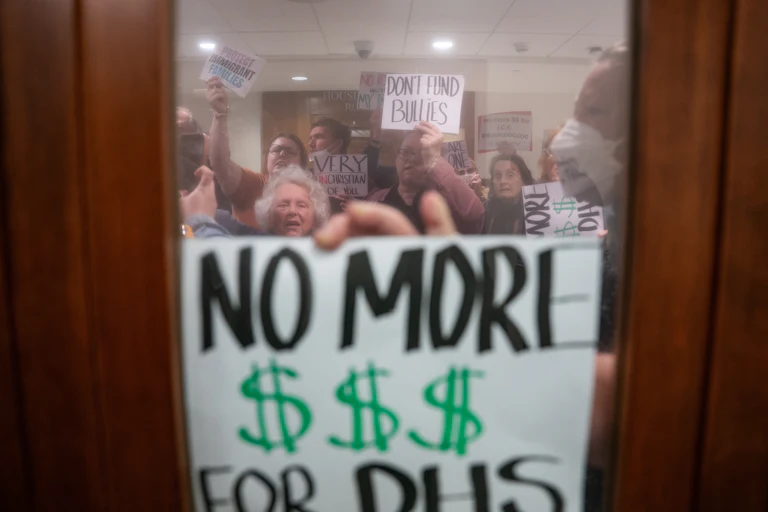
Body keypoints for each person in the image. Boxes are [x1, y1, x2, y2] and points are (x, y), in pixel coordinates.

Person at [206, 76, 308, 229]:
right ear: (267, 158)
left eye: (289, 151)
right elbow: (221, 164)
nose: (281, 154)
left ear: (302, 161)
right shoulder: (253, 184)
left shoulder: (312, 193)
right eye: (276, 150)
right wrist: (220, 114)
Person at [365, 121, 484, 235]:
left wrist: (435, 160)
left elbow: (473, 218)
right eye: (405, 152)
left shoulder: (445, 202)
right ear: (396, 160)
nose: (411, 159)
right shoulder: (375, 200)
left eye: (423, 153)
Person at [254, 165, 330, 237]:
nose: (292, 211)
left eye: (301, 205)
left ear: (315, 217)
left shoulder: (327, 250)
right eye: (283, 205)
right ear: (269, 216)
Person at [482, 153, 535, 234]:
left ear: (523, 180)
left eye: (510, 175)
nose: (503, 181)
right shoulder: (484, 211)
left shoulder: (535, 213)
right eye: (498, 175)